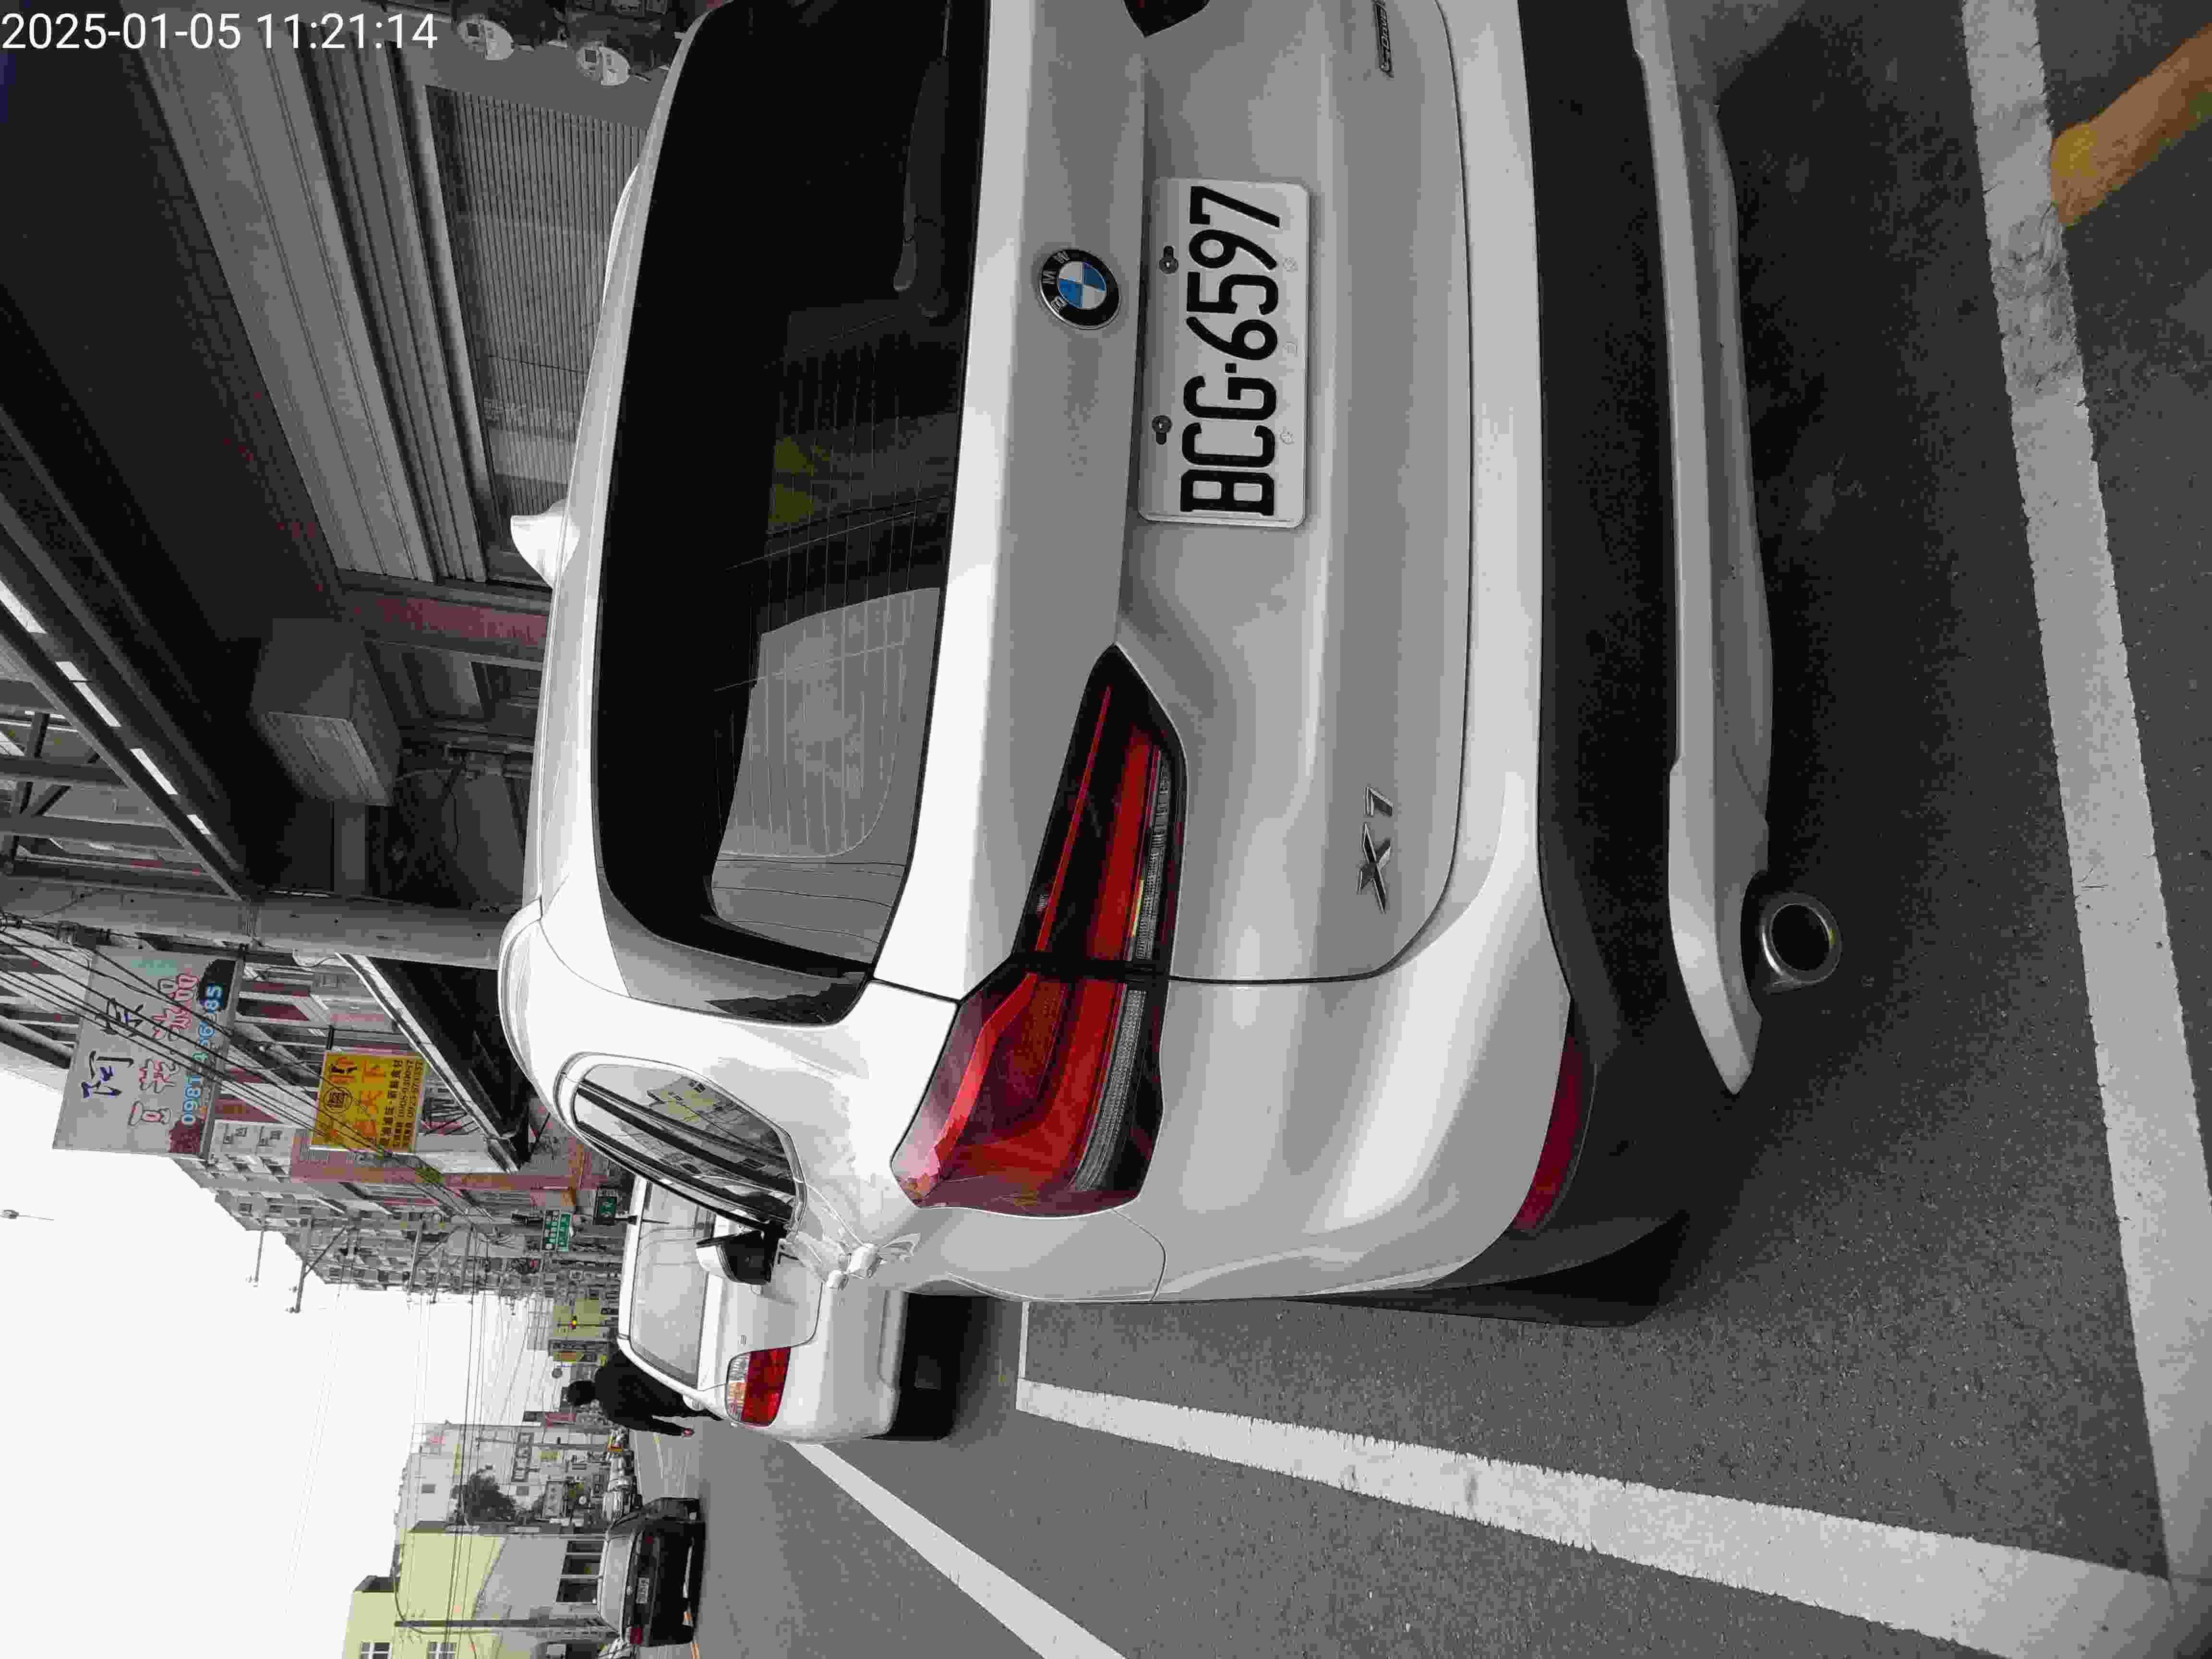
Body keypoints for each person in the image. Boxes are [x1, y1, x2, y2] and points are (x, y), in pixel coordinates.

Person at [565, 1351, 717, 1437]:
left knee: (715, 1407)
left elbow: (647, 1424)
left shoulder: (611, 1411)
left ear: (586, 1402)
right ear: (584, 1382)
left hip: (677, 1404)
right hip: (675, 1374)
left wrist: (678, 1431)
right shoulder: (609, 1369)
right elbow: (636, 1352)